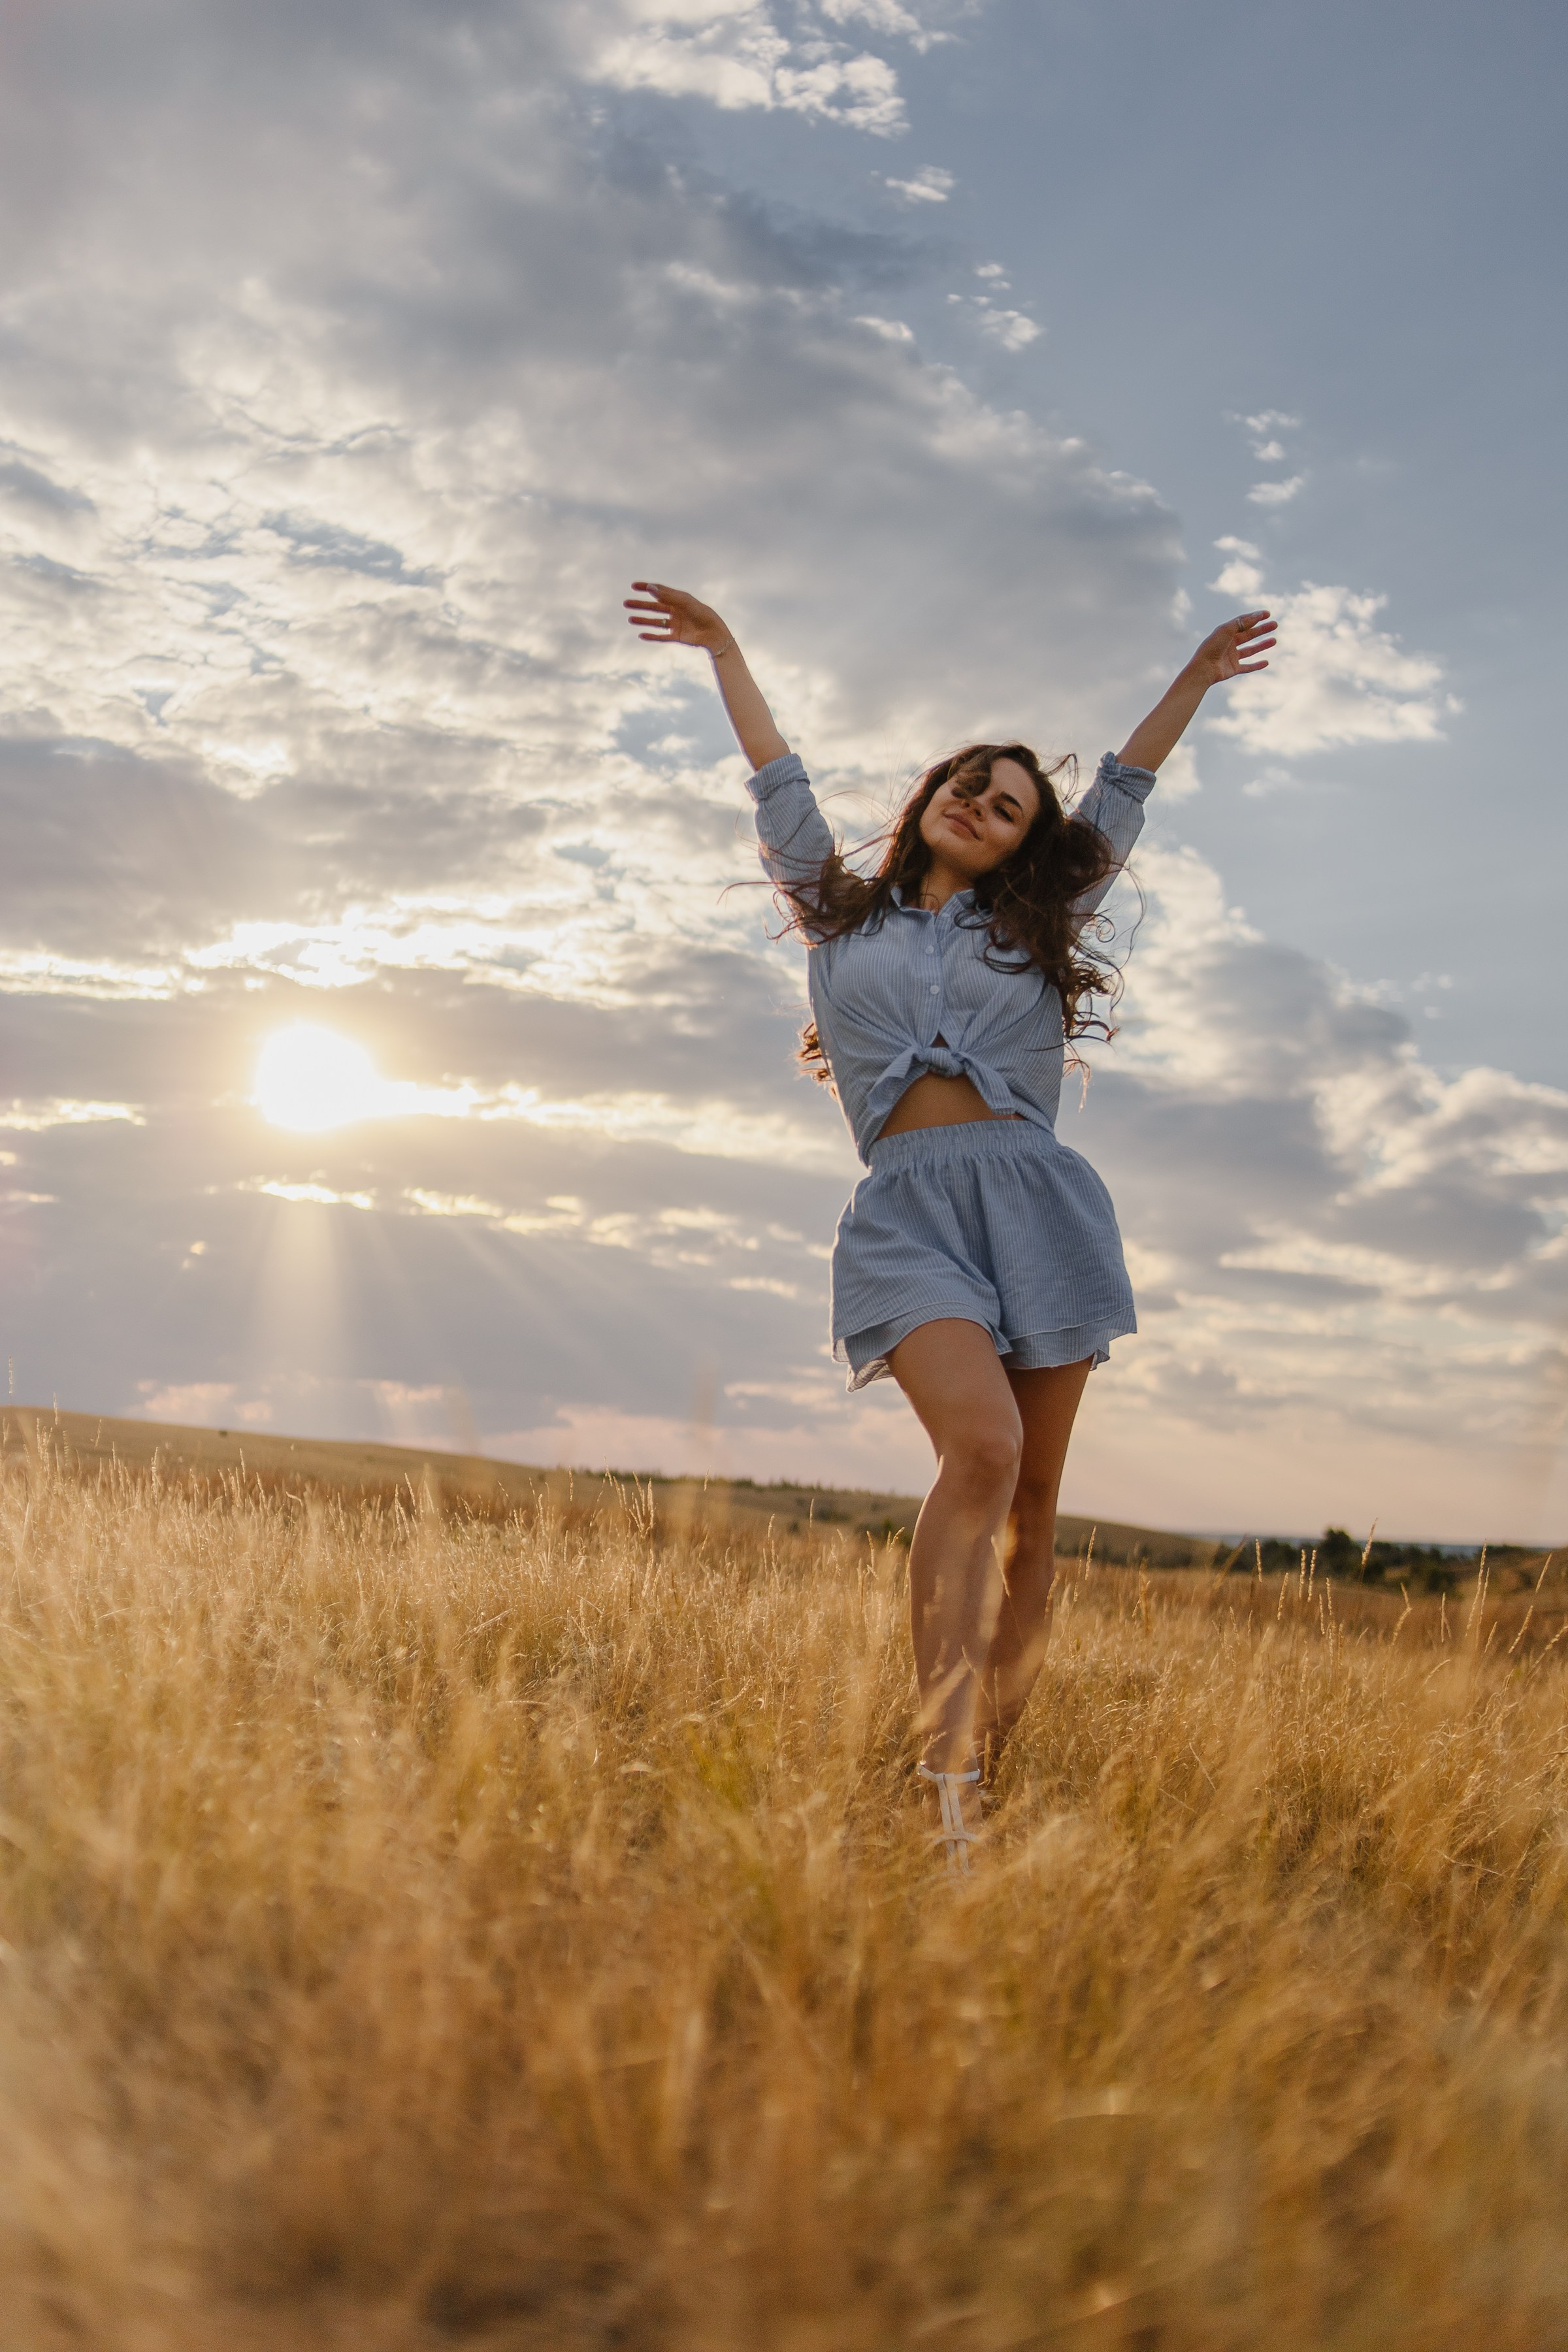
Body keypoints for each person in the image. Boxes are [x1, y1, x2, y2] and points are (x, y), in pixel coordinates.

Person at [625, 581, 1276, 1867]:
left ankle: (985, 1782)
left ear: (1028, 844)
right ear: (926, 800)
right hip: (908, 1216)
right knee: (978, 1450)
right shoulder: (837, 913)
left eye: (1009, 802)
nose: (980, 802)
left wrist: (1194, 678)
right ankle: (941, 1767)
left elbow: (1125, 798)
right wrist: (727, 651)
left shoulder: (1041, 921)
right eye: (967, 784)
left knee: (1033, 1502)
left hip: (1038, 1205)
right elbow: (776, 782)